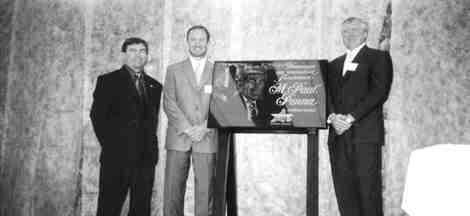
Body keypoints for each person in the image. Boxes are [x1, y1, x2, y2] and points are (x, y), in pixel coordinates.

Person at [326, 17, 393, 216]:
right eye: (345, 31)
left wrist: (349, 118)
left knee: (368, 192)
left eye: (355, 30)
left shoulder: (378, 58)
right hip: (337, 136)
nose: (349, 35)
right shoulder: (333, 64)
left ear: (365, 34)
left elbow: (379, 92)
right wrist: (332, 117)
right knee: (344, 192)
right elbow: (326, 95)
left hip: (365, 136)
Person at [90, 37, 163, 216]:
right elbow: (97, 117)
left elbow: (151, 123)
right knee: (109, 208)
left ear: (147, 56)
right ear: (123, 55)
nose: (137, 55)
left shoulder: (155, 86)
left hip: (145, 161)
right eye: (132, 50)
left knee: (141, 210)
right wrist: (113, 147)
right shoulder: (108, 81)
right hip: (116, 159)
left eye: (142, 51)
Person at [163, 25, 217, 216]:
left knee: (207, 191)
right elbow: (168, 102)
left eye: (201, 39)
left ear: (208, 43)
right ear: (187, 42)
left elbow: (222, 104)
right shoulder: (173, 70)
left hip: (207, 137)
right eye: (193, 39)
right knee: (172, 192)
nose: (197, 43)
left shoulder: (218, 70)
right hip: (179, 137)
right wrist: (187, 128)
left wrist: (204, 127)